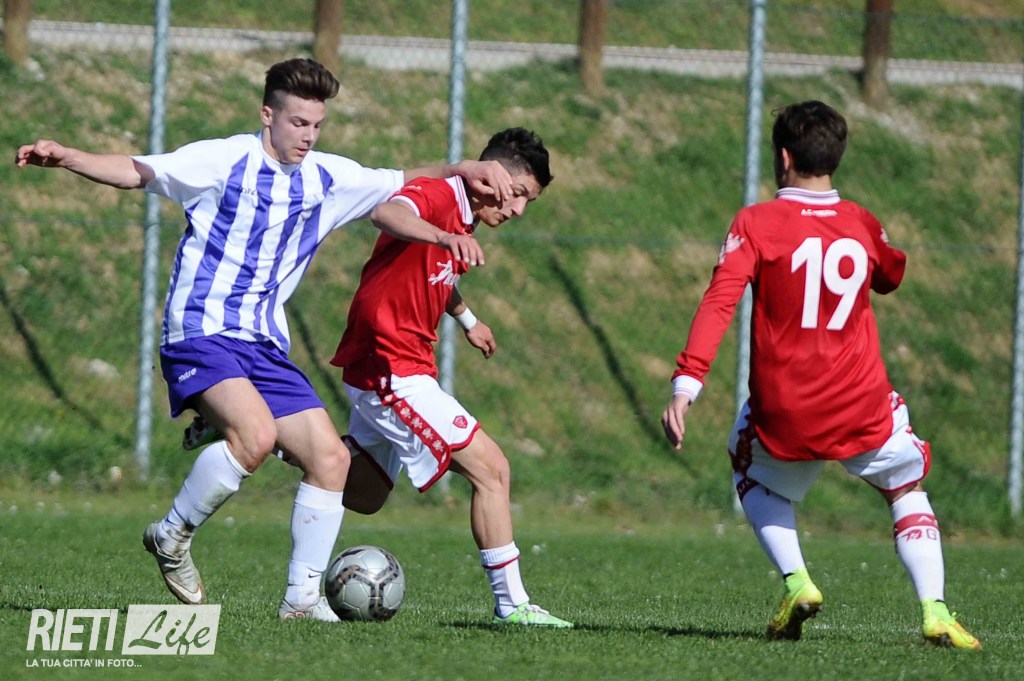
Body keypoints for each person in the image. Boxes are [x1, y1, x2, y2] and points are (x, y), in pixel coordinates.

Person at [15, 57, 517, 622]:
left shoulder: (327, 177)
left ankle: (300, 603)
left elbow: (398, 180)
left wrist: (459, 167)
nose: (308, 135)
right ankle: (172, 534)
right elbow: (137, 170)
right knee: (253, 435)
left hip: (263, 345)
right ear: (267, 115)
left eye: (317, 125)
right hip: (201, 330)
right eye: (298, 122)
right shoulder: (223, 160)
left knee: (331, 459)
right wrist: (69, 158)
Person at [660, 101, 980, 649]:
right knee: (904, 487)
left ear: (783, 157)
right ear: (835, 157)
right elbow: (891, 274)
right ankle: (935, 610)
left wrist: (687, 384)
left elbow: (720, 301)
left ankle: (798, 582)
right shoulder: (860, 221)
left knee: (749, 470)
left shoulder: (756, 223)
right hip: (860, 402)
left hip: (786, 408)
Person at [329, 127, 572, 628]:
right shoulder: (440, 196)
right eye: (517, 194)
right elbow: (387, 213)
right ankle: (512, 605)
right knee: (493, 470)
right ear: (492, 175)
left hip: (403, 362)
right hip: (390, 366)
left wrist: (468, 320)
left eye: (528, 202)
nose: (518, 210)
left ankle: (268, 433)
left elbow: (437, 273)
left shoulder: (465, 215)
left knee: (365, 495)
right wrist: (444, 235)